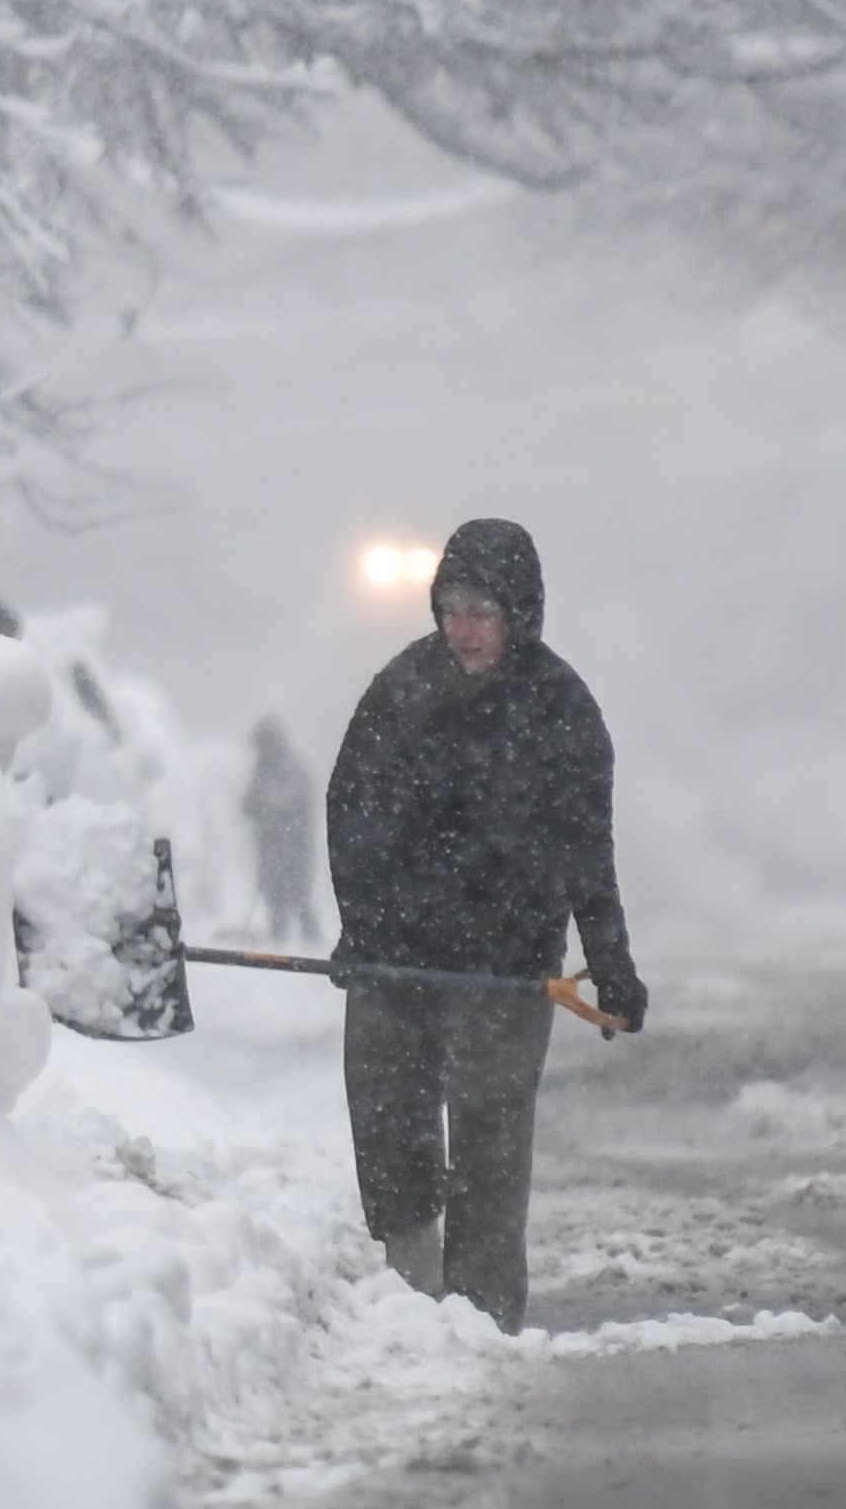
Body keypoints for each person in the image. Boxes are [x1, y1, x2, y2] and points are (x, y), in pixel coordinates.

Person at [324, 517, 647, 1324]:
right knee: (389, 1115)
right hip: (398, 954)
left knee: (489, 1140)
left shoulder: (561, 709)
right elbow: (351, 814)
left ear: (520, 614)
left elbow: (585, 848)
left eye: (484, 612)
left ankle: (484, 1312)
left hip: (505, 964)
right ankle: (405, 1287)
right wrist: (365, 929)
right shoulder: (401, 691)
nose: (464, 630)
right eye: (452, 609)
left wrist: (608, 960)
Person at [241, 717, 322, 944]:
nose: (259, 751)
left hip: (294, 843)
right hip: (270, 845)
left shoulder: (292, 766)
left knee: (300, 894)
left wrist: (267, 809)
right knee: (274, 896)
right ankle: (279, 943)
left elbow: (293, 799)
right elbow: (250, 799)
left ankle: (312, 943)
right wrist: (250, 806)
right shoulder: (261, 769)